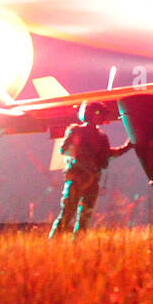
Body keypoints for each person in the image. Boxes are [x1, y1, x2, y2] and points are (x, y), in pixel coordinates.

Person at [48, 101, 133, 238]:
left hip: (92, 180)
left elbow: (108, 154)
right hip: (77, 179)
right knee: (67, 213)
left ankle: (78, 244)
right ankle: (54, 243)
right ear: (88, 113)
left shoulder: (101, 137)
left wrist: (127, 147)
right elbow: (65, 149)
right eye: (97, 113)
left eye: (101, 114)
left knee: (85, 216)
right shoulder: (76, 130)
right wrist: (85, 156)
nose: (99, 116)